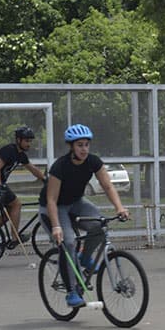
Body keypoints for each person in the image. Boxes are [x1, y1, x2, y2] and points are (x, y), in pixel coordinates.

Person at [39, 124, 130, 307]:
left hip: (76, 203)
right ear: (71, 146)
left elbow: (107, 186)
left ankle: (85, 257)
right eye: (80, 145)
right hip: (54, 207)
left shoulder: (93, 162)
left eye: (87, 144)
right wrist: (56, 226)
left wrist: (120, 208)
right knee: (69, 242)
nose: (84, 149)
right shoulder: (60, 166)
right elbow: (51, 199)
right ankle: (72, 292)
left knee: (100, 226)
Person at [0, 125, 46, 246]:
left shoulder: (21, 155)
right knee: (16, 204)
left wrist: (45, 180)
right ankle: (15, 238)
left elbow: (33, 169)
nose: (29, 144)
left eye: (30, 141)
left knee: (8, 212)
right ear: (18, 140)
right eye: (26, 141)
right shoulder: (9, 150)